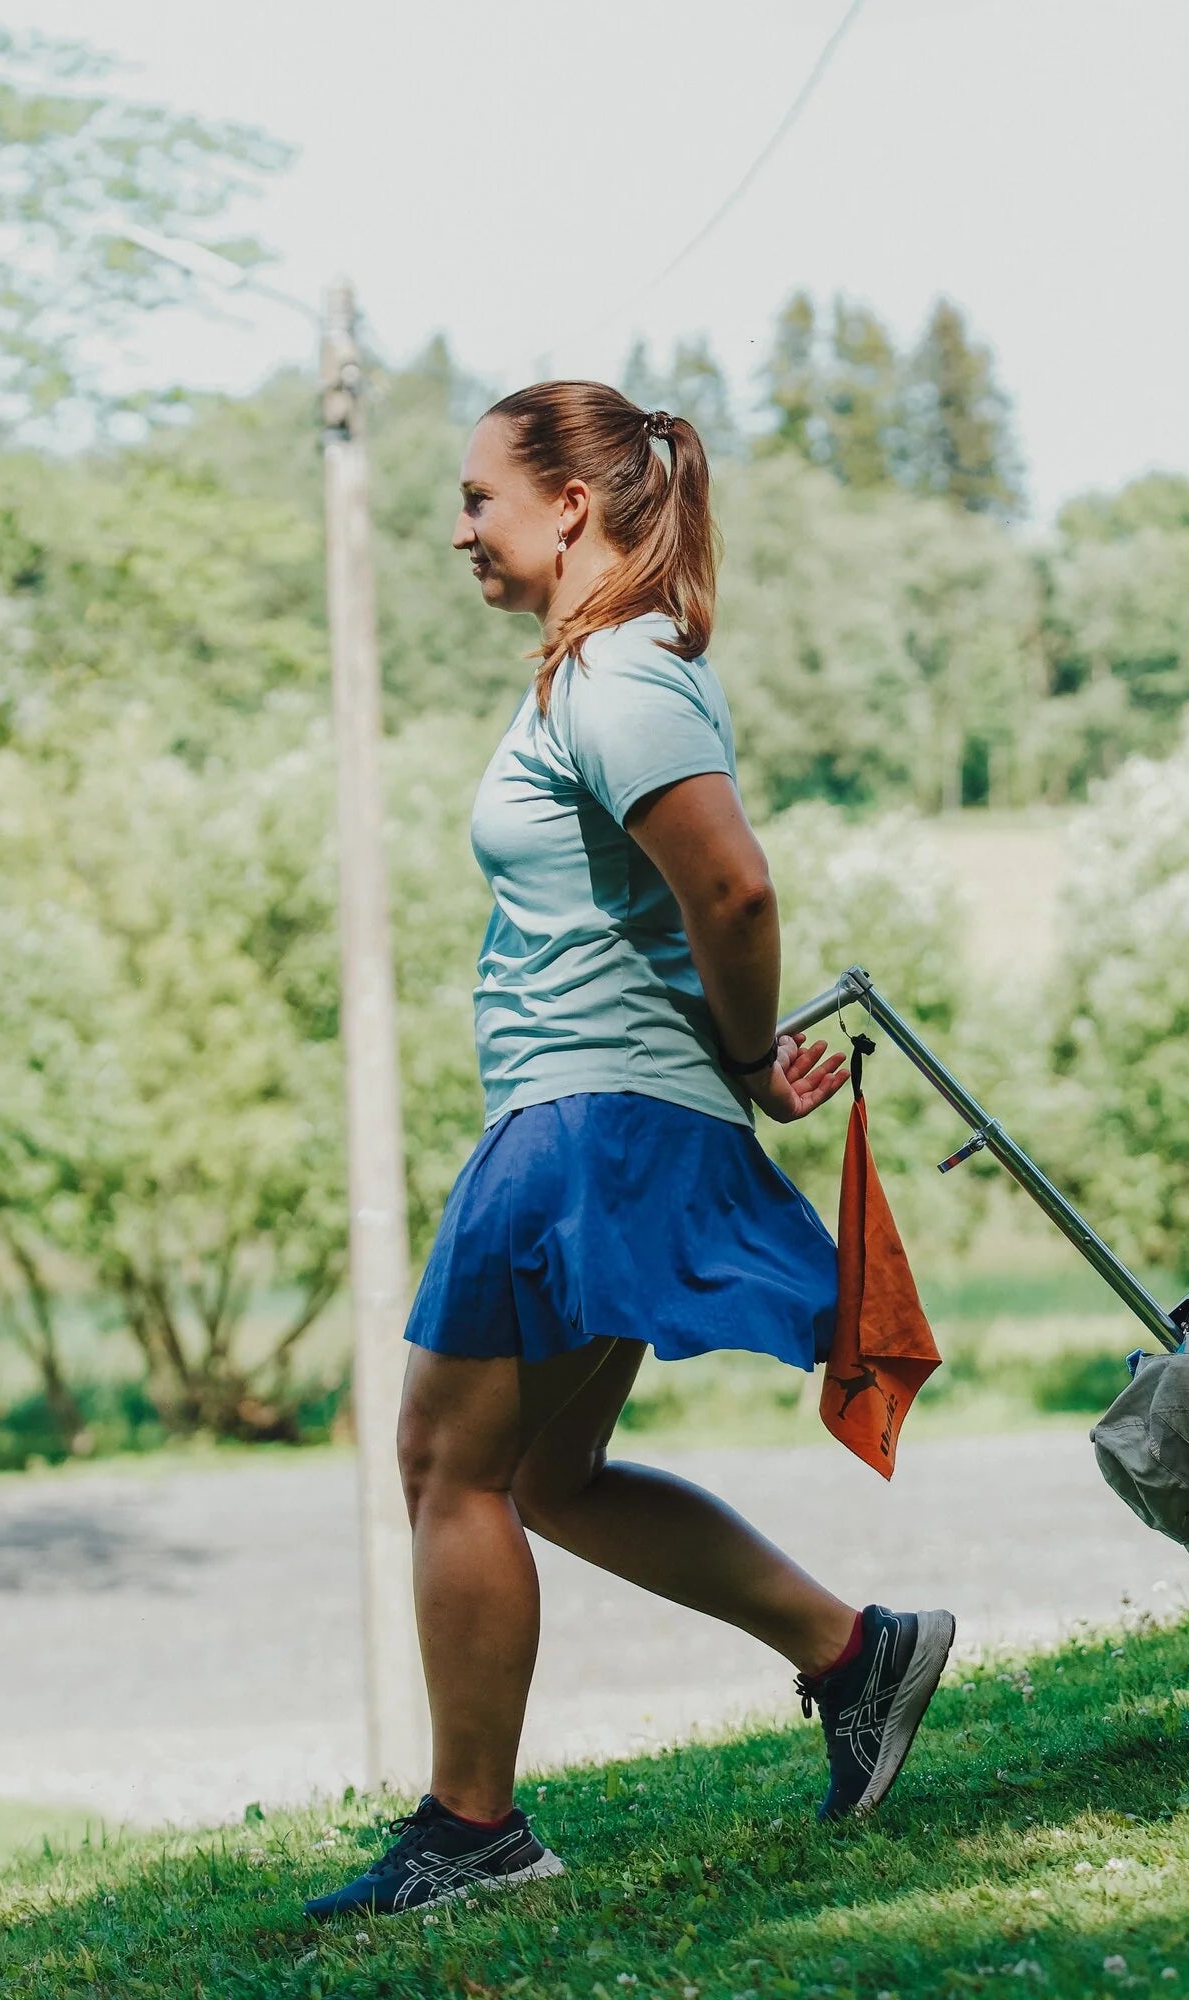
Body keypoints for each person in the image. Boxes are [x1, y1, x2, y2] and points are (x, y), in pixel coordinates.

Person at [306, 383, 955, 1919]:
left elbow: (731, 892)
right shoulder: (600, 672)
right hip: (597, 1115)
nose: (459, 527)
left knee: (443, 1464)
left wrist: (739, 1060)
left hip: (587, 1122)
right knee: (544, 1472)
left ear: (572, 506)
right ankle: (855, 1657)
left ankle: (474, 1832)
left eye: (478, 497)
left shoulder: (614, 678)